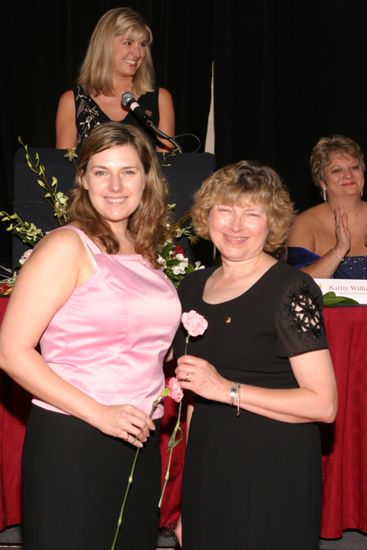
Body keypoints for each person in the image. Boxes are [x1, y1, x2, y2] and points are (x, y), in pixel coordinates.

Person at [0, 122, 181, 550]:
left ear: (147, 178)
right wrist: (100, 414)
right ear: (82, 179)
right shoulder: (65, 247)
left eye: (128, 171)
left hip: (137, 438)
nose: (115, 185)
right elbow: (10, 351)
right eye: (101, 172)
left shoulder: (146, 253)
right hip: (75, 438)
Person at [173, 161, 338, 550]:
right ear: (207, 215)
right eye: (225, 210)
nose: (235, 226)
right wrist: (188, 498)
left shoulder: (291, 289)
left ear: (272, 223)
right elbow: (198, 392)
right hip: (211, 464)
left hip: (272, 468)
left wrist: (227, 389)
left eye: (252, 214)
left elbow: (323, 404)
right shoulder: (194, 285)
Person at [56, 7, 175, 151]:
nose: (138, 54)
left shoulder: (160, 99)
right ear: (104, 45)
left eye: (142, 45)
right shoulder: (72, 102)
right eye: (128, 43)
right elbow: (63, 169)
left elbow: (167, 167)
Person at [287, 135, 367, 278]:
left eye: (355, 167)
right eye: (337, 170)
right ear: (322, 181)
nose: (348, 175)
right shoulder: (303, 224)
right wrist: (340, 249)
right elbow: (298, 286)